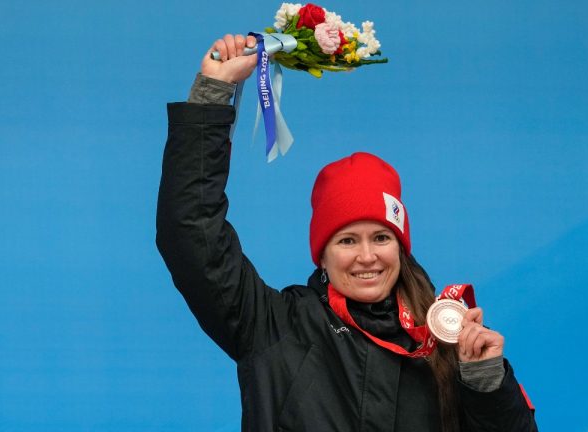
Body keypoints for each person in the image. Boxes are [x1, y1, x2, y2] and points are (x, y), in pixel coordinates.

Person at [156, 34, 538, 432]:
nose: (367, 256)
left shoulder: (445, 342)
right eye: (347, 240)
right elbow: (190, 230)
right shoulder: (273, 327)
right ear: (321, 253)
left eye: (381, 237)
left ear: (401, 247)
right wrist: (212, 95)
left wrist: (485, 382)